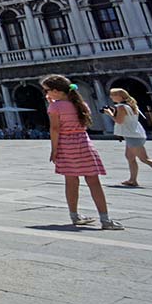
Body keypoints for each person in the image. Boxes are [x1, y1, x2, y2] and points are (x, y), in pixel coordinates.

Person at [42, 75, 122, 229]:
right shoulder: (81, 104)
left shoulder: (54, 107)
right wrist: (55, 103)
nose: (45, 93)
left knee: (71, 182)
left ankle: (75, 216)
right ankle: (105, 219)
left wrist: (54, 149)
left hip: (66, 146)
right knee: (94, 182)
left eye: (47, 90)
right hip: (84, 144)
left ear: (56, 91)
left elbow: (55, 128)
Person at [103, 87, 152, 187]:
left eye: (112, 95)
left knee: (145, 159)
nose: (110, 97)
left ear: (119, 96)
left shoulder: (121, 107)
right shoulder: (130, 105)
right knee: (130, 157)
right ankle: (132, 180)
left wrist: (109, 113)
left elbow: (119, 121)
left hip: (133, 136)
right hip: (134, 134)